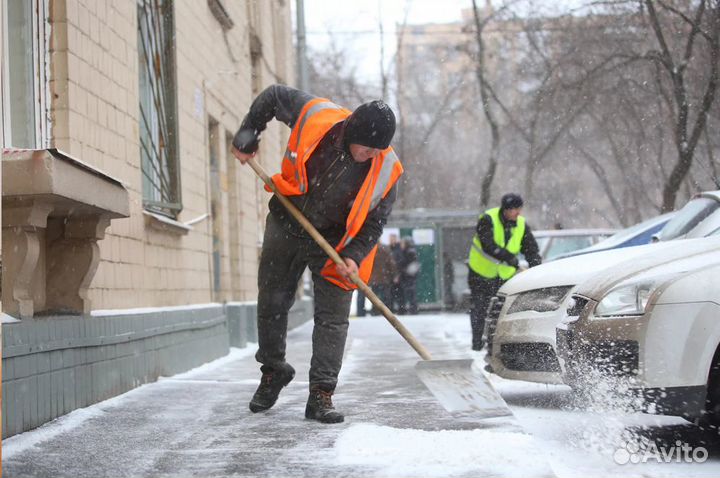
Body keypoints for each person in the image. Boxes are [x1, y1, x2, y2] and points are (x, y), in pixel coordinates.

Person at [231, 84, 402, 424]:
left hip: (336, 243)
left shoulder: (386, 169)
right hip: (288, 218)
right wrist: (249, 133)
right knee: (272, 302)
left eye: (377, 150)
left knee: (333, 318)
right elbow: (273, 96)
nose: (372, 155)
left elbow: (374, 222)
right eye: (367, 148)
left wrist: (354, 254)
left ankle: (321, 394)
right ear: (352, 131)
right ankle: (273, 370)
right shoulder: (316, 116)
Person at [467, 193, 541, 351]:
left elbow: (530, 248)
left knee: (501, 310)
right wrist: (509, 258)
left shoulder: (521, 224)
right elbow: (488, 245)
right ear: (506, 210)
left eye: (520, 209)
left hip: (504, 276)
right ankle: (477, 344)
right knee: (480, 308)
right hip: (480, 272)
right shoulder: (487, 219)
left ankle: (496, 345)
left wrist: (536, 268)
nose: (518, 213)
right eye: (515, 209)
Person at [369, 243, 397, 315]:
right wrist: (394, 274)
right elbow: (391, 263)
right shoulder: (385, 249)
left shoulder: (370, 249)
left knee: (375, 296)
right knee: (386, 296)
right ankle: (386, 311)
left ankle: (375, 311)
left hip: (374, 278)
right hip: (384, 277)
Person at [397, 237, 420, 314]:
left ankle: (413, 309)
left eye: (402, 243)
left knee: (410, 293)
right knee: (409, 293)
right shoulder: (407, 251)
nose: (401, 245)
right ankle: (412, 309)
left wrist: (404, 270)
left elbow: (410, 265)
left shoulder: (409, 252)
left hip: (409, 277)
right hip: (407, 276)